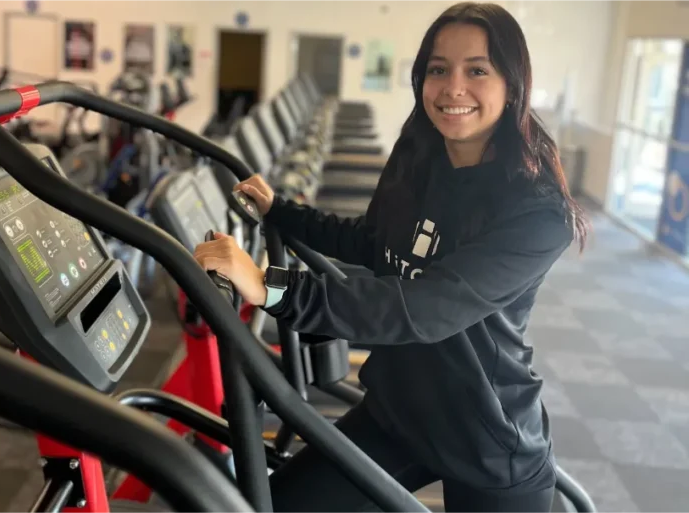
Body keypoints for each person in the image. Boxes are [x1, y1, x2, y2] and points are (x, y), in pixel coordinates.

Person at [193, 2, 588, 512]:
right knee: (275, 505)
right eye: (438, 69)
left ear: (513, 84)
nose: (453, 88)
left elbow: (423, 307)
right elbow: (375, 242)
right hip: (400, 410)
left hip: (486, 435)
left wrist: (269, 285)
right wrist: (283, 213)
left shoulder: (538, 213)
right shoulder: (419, 152)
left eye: (477, 71)